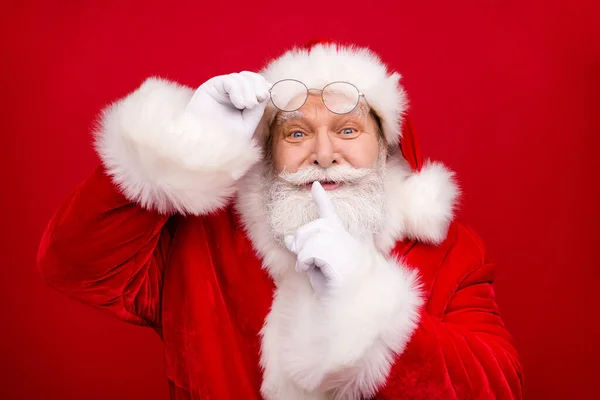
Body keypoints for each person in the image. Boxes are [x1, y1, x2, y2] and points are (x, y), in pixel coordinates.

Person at [37, 40, 523, 399]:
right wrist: (181, 149)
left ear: (386, 144)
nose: (325, 154)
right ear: (268, 153)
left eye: (348, 128)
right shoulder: (203, 239)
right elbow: (72, 264)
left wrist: (367, 303)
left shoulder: (453, 252)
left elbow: (499, 386)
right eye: (296, 133)